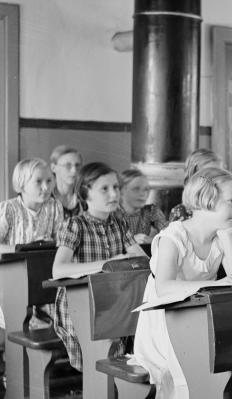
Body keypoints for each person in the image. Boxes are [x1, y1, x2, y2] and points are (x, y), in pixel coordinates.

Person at [133, 167, 232, 399]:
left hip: (197, 318)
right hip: (165, 320)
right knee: (189, 369)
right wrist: (216, 285)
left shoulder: (220, 236)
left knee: (223, 359)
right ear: (206, 201)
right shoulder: (174, 237)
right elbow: (164, 287)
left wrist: (227, 238)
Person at [52, 162, 147, 371]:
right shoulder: (75, 225)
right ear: (86, 193)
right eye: (105, 189)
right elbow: (58, 270)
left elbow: (142, 260)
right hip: (81, 306)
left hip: (112, 304)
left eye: (116, 187)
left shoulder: (119, 224)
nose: (113, 194)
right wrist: (106, 264)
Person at [0, 158, 64, 328]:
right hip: (14, 277)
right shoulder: (9, 209)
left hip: (43, 276)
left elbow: (60, 241)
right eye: (38, 181)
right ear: (21, 184)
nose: (46, 187)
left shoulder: (54, 207)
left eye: (49, 180)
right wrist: (22, 249)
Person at [169, 148, 225, 222]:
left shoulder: (223, 206)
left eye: (220, 174)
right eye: (209, 175)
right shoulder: (181, 212)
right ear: (193, 179)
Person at [118, 168, 168, 244]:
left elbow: (169, 236)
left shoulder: (151, 211)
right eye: (136, 189)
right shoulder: (110, 214)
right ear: (121, 191)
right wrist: (130, 241)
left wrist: (152, 240)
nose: (143, 194)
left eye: (146, 189)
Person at [50, 145, 83, 218]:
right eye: (68, 165)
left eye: (77, 165)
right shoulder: (44, 199)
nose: (74, 171)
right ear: (53, 168)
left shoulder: (86, 198)